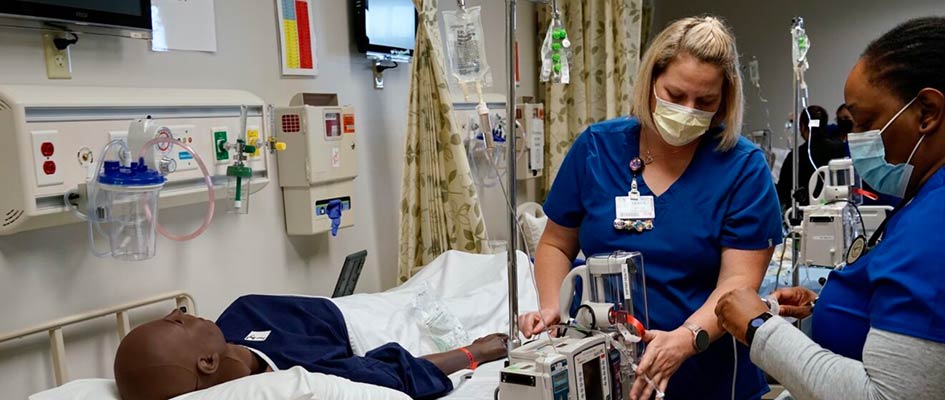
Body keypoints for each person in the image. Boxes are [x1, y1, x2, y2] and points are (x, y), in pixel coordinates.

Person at [714, 16, 945, 399]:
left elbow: (888, 396)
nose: (853, 140)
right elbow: (940, 319)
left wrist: (757, 328)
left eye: (864, 121)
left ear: (927, 112)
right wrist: (842, 304)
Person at [517, 16, 783, 400]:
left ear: (724, 99)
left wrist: (687, 338)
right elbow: (557, 243)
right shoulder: (596, 148)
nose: (689, 110)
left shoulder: (742, 168)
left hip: (707, 375)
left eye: (705, 101)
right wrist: (550, 307)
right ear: (651, 83)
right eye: (675, 95)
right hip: (604, 369)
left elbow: (737, 285)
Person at [113, 295, 509, 400]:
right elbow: (400, 377)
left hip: (353, 304)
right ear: (207, 361)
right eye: (176, 321)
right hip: (374, 324)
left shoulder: (238, 313)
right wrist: (476, 351)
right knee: (488, 295)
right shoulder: (308, 376)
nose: (179, 309)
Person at [776, 105, 849, 210]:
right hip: (836, 211)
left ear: (802, 126)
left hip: (804, 215)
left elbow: (782, 192)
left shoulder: (796, 155)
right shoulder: (840, 149)